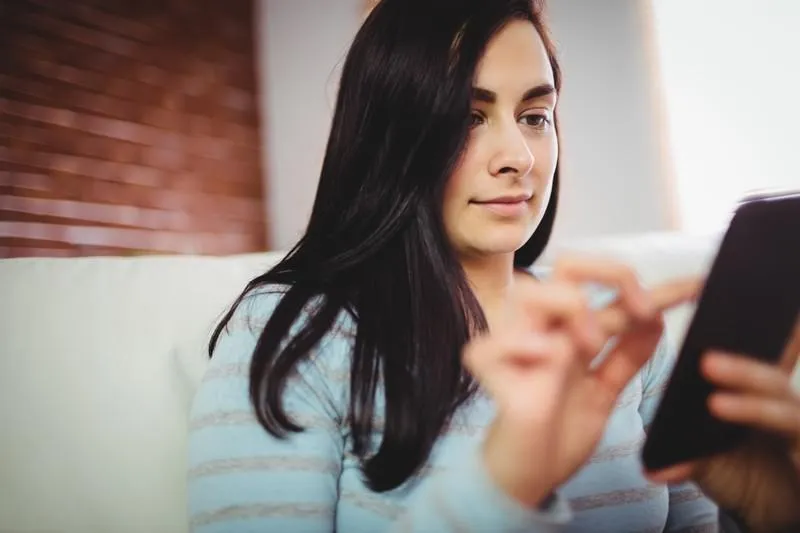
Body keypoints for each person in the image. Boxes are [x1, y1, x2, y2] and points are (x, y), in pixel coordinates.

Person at [186, 0, 800, 531]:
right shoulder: (290, 335)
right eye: (468, 117)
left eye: (535, 116)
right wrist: (500, 490)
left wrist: (768, 517)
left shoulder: (619, 324)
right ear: (392, 137)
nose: (518, 157)